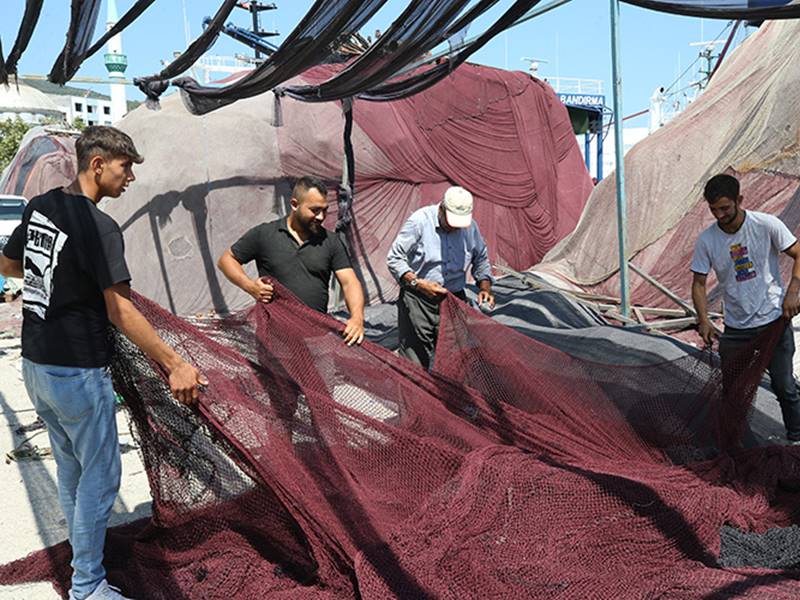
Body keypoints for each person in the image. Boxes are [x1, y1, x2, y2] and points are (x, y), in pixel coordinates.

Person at [0, 126, 206, 600]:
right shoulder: (101, 227)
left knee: (72, 468)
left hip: (37, 367)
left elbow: (11, 265)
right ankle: (89, 585)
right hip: (78, 370)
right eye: (125, 166)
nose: (130, 176)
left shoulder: (40, 206)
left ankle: (82, 560)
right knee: (101, 477)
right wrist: (175, 363)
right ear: (98, 164)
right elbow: (120, 309)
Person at [690, 173, 800, 446]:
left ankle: (798, 438)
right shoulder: (707, 240)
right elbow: (698, 284)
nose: (720, 215)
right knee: (732, 389)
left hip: (773, 322)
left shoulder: (766, 225)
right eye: (714, 210)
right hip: (736, 327)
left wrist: (792, 292)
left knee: (784, 385)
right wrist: (704, 321)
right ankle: (736, 441)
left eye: (725, 208)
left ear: (739, 200)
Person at [217, 176, 365, 345]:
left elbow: (349, 282)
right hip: (274, 339)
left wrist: (357, 318)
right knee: (271, 372)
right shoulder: (265, 234)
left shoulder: (331, 241)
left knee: (318, 372)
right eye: (315, 210)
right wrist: (250, 286)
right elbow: (226, 260)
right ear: (294, 204)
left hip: (316, 338)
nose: (321, 216)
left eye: (324, 210)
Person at [387, 186, 494, 368]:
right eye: (451, 221)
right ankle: (415, 396)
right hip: (418, 299)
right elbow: (395, 258)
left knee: (453, 358)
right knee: (414, 360)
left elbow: (481, 257)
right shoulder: (419, 222)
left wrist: (485, 288)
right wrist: (418, 283)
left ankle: (443, 395)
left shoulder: (470, 228)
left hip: (453, 300)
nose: (454, 227)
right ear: (442, 208)